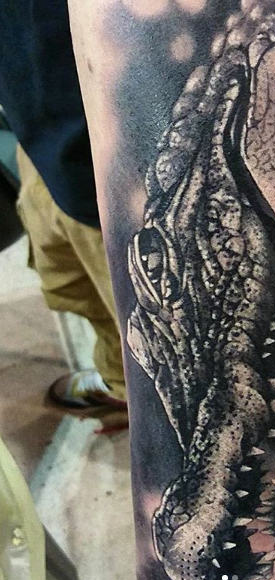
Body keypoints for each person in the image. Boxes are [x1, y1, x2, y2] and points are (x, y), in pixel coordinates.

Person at [69, 1, 275, 580]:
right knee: (108, 328)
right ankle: (113, 389)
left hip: (120, 169)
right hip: (56, 132)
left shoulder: (224, 79)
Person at [0, 0, 126, 408]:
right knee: (68, 282)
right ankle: (118, 381)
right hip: (38, 123)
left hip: (125, 160)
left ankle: (137, 397)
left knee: (156, 330)